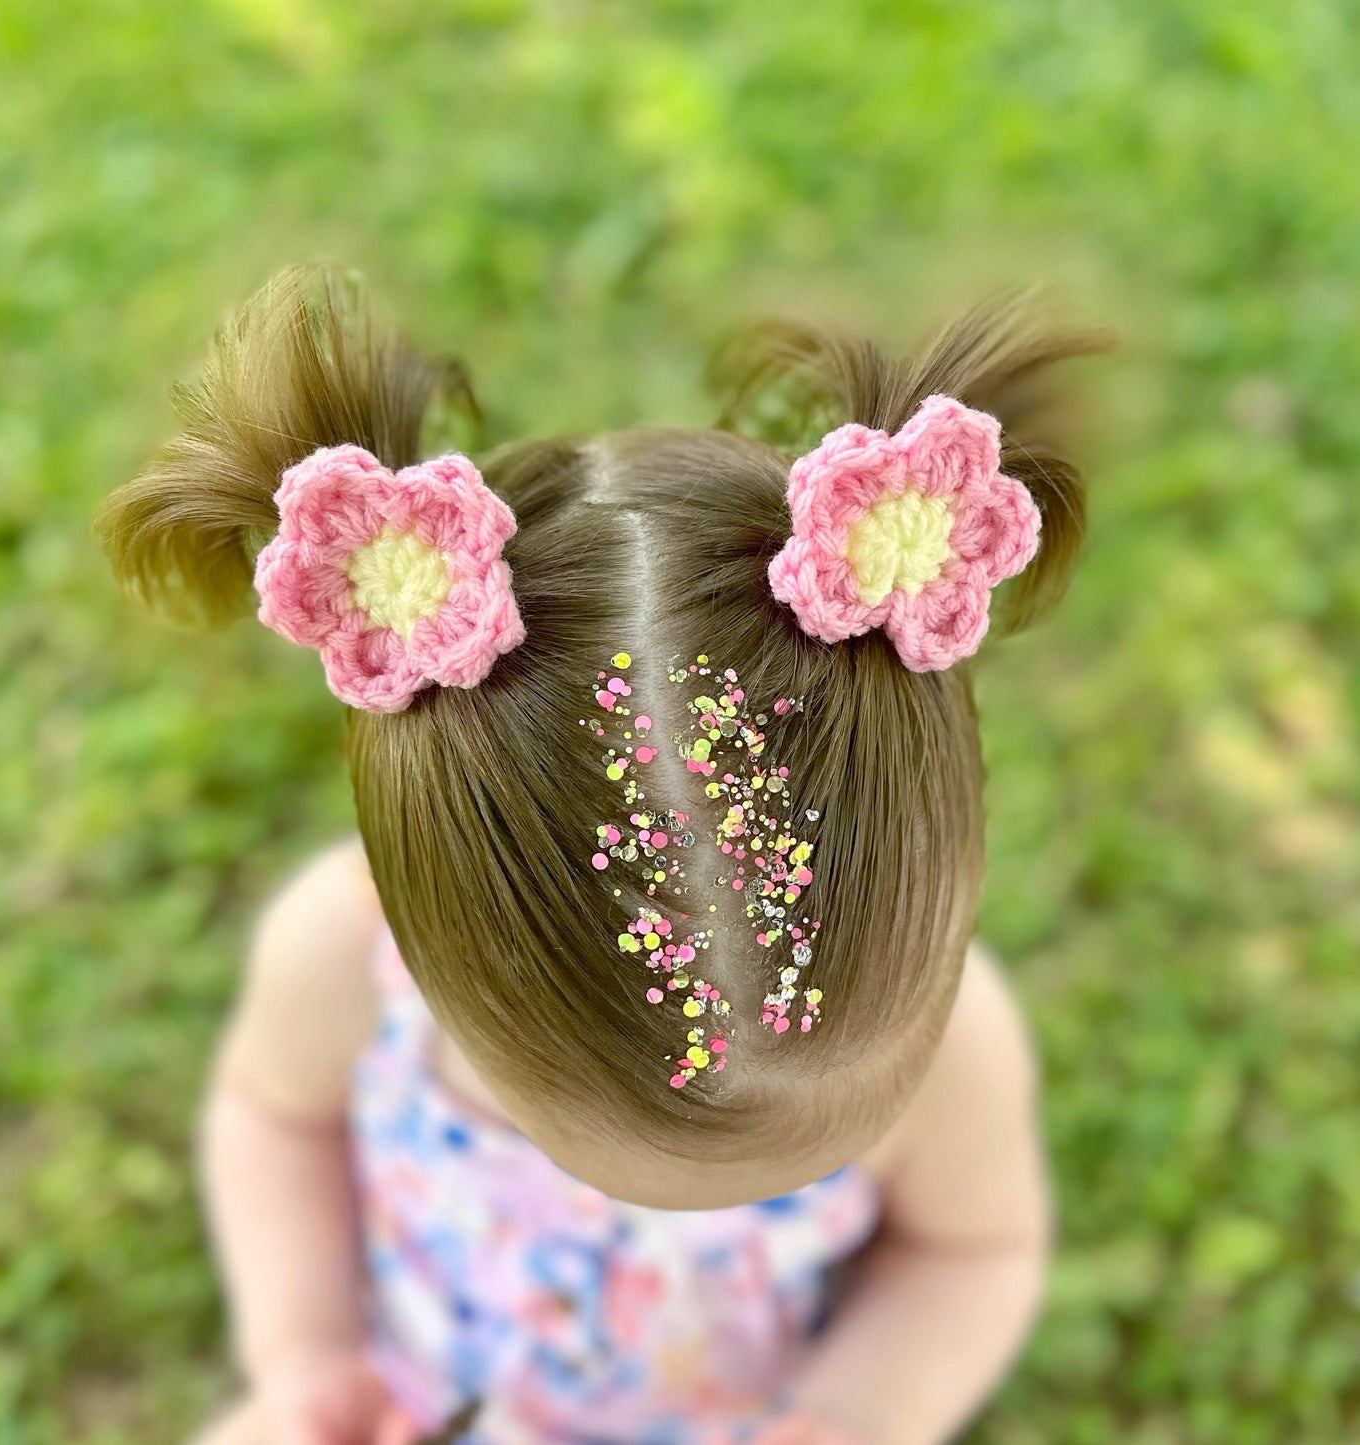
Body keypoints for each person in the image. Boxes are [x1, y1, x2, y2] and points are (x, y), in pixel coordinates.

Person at [97, 266, 1106, 1445]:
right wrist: (306, 1354)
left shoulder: (945, 1047)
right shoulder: (337, 960)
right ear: (415, 940)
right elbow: (273, 1115)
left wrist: (853, 1414)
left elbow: (970, 1247)